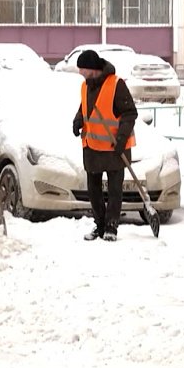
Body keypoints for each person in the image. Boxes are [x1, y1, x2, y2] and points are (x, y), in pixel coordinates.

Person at [72, 50, 138, 242]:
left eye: (83, 69)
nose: (80, 73)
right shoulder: (86, 85)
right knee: (93, 190)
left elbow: (129, 113)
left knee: (115, 190)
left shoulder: (116, 84)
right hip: (92, 146)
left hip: (114, 146)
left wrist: (122, 138)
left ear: (93, 69)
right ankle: (100, 225)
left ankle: (111, 227)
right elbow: (85, 107)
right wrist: (78, 120)